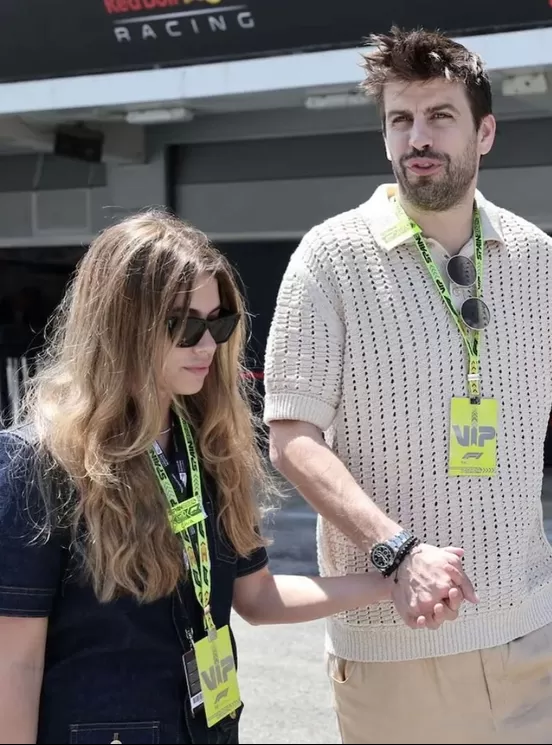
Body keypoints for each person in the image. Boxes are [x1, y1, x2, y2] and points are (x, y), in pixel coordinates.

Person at [262, 26, 552, 745]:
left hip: (534, 630)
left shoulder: (536, 259)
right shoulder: (328, 260)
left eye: (439, 117)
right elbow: (292, 437)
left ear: (483, 132)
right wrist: (397, 548)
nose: (417, 137)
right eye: (400, 120)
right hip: (397, 644)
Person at [0, 210, 397, 745]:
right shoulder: (38, 462)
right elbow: (15, 661)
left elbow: (258, 598)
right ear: (121, 325)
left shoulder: (209, 446)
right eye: (186, 325)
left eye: (220, 322)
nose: (208, 345)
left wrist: (390, 583)